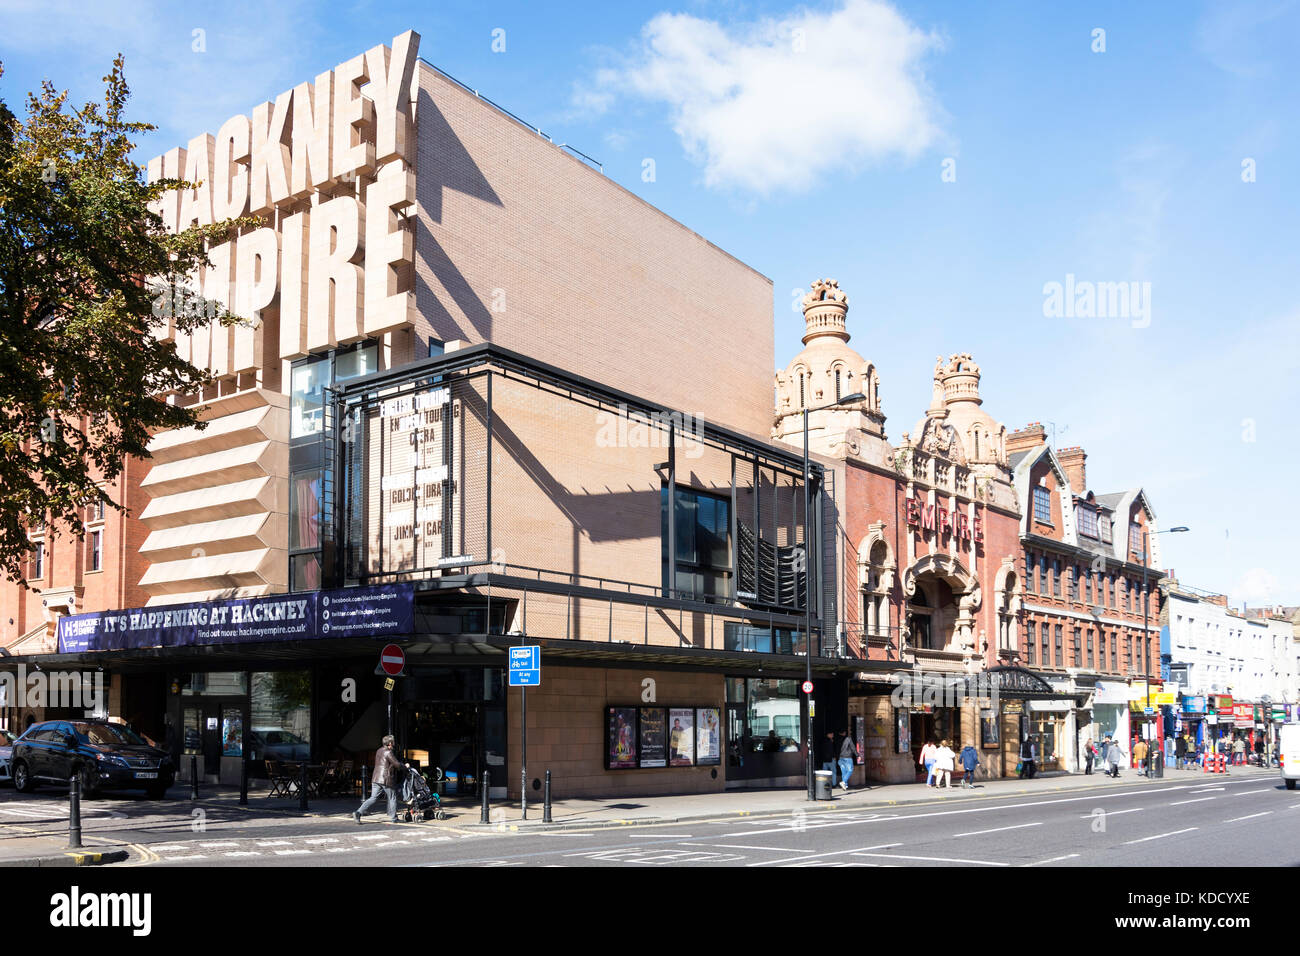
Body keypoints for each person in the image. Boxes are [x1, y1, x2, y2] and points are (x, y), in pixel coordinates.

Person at [354, 734, 404, 824]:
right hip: (386, 779)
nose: (394, 744)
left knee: (373, 798)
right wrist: (405, 766)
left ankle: (358, 812)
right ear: (389, 743)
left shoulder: (379, 750)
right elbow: (397, 764)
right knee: (392, 797)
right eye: (393, 742)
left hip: (376, 778)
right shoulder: (388, 752)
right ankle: (394, 818)